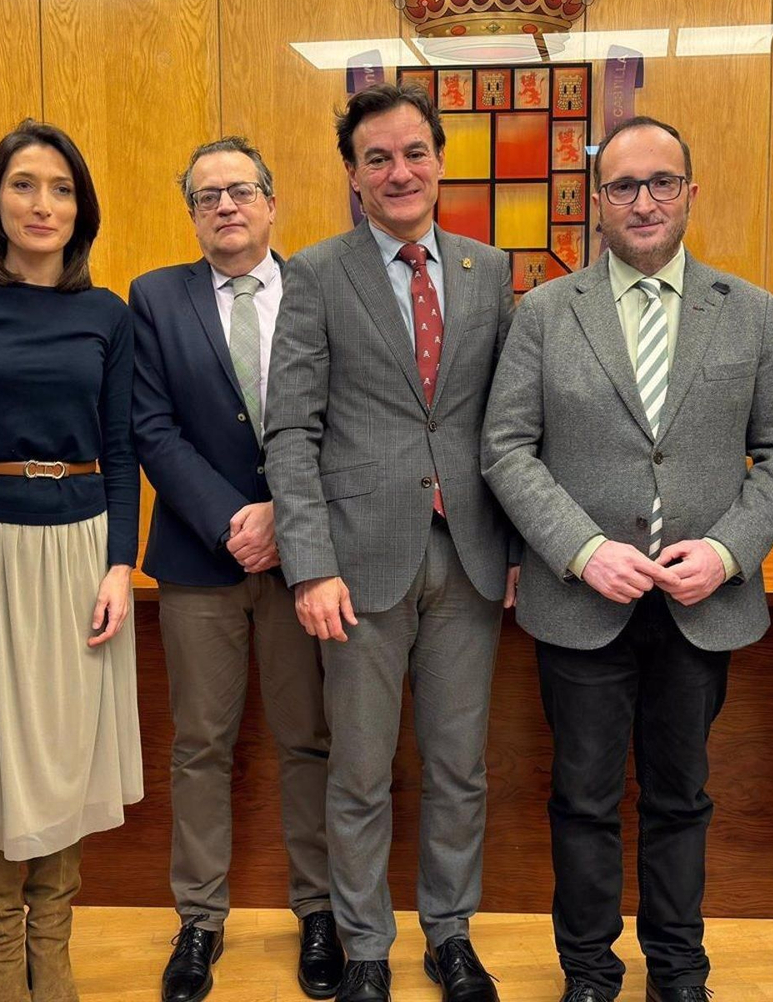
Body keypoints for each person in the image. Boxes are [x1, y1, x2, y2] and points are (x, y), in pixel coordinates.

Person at [481, 115, 773, 1002]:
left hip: (701, 607)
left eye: (662, 182)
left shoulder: (751, 311)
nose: (644, 201)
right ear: (598, 201)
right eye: (623, 186)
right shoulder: (545, 312)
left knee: (682, 797)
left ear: (690, 193)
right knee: (583, 799)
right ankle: (589, 972)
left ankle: (679, 971)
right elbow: (506, 449)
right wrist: (582, 549)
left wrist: (732, 551)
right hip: (581, 604)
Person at [264, 82, 517, 1002]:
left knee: (459, 768)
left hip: (472, 557)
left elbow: (511, 424)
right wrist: (310, 565)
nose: (399, 171)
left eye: (414, 153)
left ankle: (451, 935)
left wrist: (518, 549)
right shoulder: (315, 274)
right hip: (357, 564)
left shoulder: (490, 271)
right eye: (377, 158)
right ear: (353, 175)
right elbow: (290, 431)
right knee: (361, 772)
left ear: (440, 162)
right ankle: (366, 943)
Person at [0, 120, 142, 1002]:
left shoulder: (108, 314)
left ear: (81, 210)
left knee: (62, 758)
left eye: (62, 189)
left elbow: (122, 449)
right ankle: (2, 969)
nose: (43, 204)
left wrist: (120, 565)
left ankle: (57, 963)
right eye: (24, 185)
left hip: (80, 554)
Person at [131, 136, 341, 1002]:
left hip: (306, 559)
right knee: (200, 745)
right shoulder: (155, 297)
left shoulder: (321, 288)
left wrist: (287, 517)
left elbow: (348, 417)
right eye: (207, 195)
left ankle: (320, 912)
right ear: (191, 213)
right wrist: (231, 520)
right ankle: (199, 920)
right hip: (199, 556)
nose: (225, 205)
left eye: (241, 190)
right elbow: (151, 427)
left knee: (309, 739)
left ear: (272, 202)